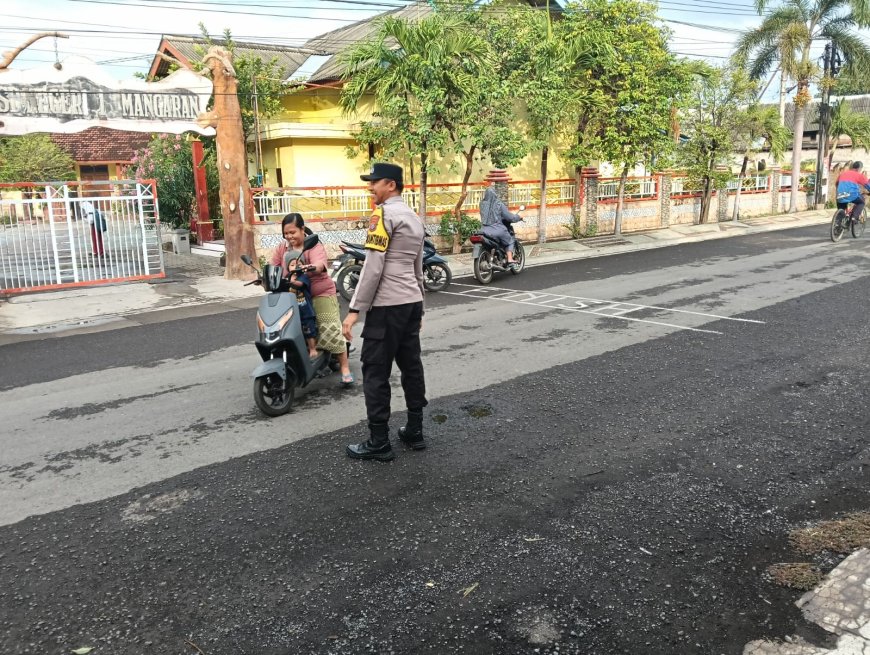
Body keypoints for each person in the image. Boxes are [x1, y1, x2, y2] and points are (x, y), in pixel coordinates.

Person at [341, 162, 427, 462]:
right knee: (411, 365)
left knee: (375, 370)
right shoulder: (414, 218)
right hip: (411, 303)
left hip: (388, 306)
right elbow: (418, 268)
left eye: (374, 182)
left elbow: (373, 266)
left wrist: (354, 310)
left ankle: (379, 441)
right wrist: (421, 307)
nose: (370, 187)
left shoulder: (383, 215)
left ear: (390, 185)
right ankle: (415, 431)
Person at [271, 213, 353, 386]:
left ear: (302, 229)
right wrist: (265, 276)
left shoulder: (313, 245)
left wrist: (311, 267)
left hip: (320, 292)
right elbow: (274, 267)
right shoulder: (282, 249)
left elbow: (321, 264)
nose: (289, 236)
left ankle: (344, 368)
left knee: (329, 329)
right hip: (294, 295)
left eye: (292, 232)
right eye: (286, 233)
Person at [479, 186, 522, 270]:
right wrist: (518, 217)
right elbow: (510, 217)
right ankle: (509, 259)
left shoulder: (482, 204)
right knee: (510, 241)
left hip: (483, 229)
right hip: (497, 229)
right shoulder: (498, 204)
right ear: (495, 194)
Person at [286, 257, 319, 360]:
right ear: (287, 267)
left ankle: (312, 349)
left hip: (305, 311)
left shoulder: (303, 277)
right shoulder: (287, 277)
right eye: (292, 265)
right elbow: (276, 286)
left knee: (308, 331)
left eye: (298, 264)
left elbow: (299, 285)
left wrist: (291, 282)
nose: (295, 266)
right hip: (292, 313)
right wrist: (263, 283)